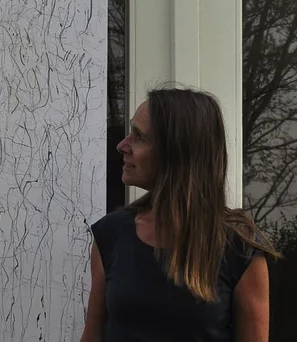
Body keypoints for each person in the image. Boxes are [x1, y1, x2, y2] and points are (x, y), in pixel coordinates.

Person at [80, 87, 280, 342]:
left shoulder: (239, 249)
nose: (122, 145)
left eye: (139, 137)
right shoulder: (110, 235)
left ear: (176, 152)